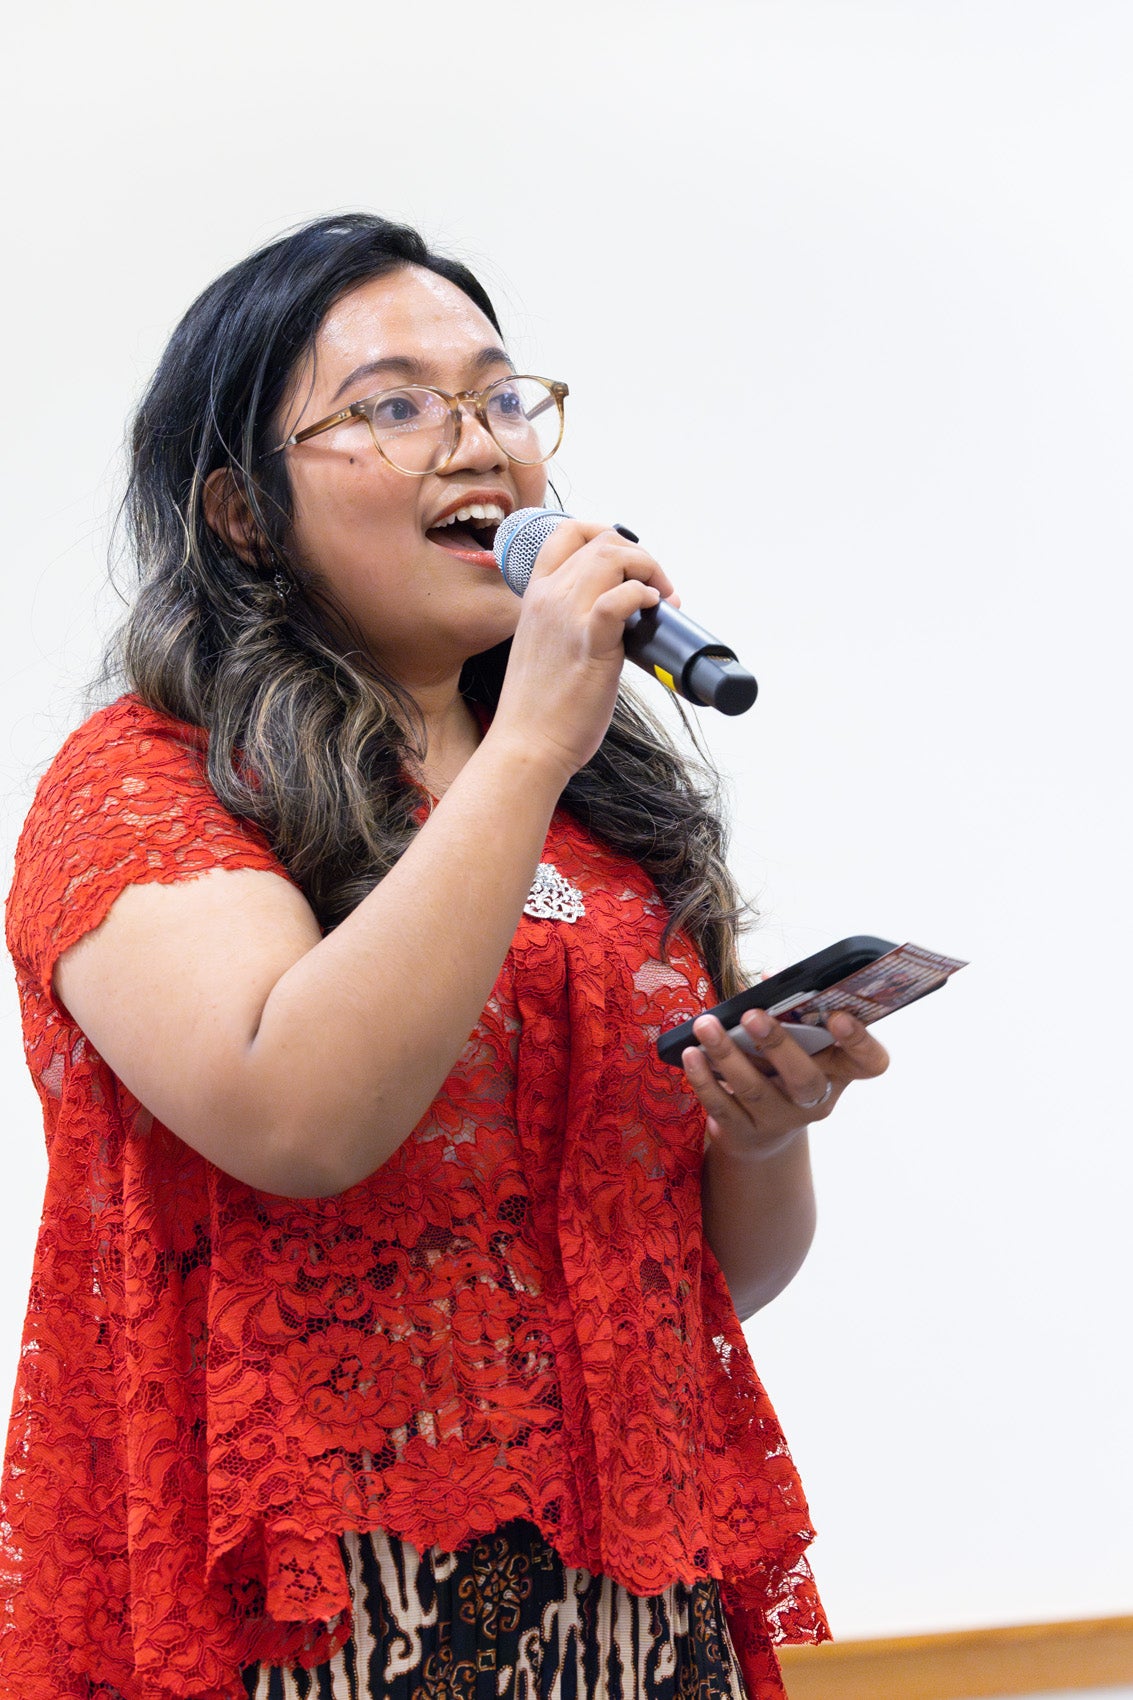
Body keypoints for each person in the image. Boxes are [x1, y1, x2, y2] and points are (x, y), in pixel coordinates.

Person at [0, 214, 888, 1700]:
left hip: (633, 1602)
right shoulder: (145, 783)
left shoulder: (610, 817)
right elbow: (298, 1120)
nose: (473, 444)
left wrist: (764, 1134)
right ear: (239, 513)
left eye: (497, 398)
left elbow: (705, 1277)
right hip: (314, 1614)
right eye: (393, 406)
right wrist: (533, 734)